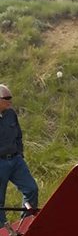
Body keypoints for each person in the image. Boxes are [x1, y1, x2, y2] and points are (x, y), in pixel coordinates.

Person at [0, 84, 39, 216]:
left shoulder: (11, 114)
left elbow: (18, 135)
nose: (10, 101)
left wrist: (20, 153)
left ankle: (26, 225)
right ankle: (3, 231)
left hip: (16, 161)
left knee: (31, 189)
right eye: (7, 98)